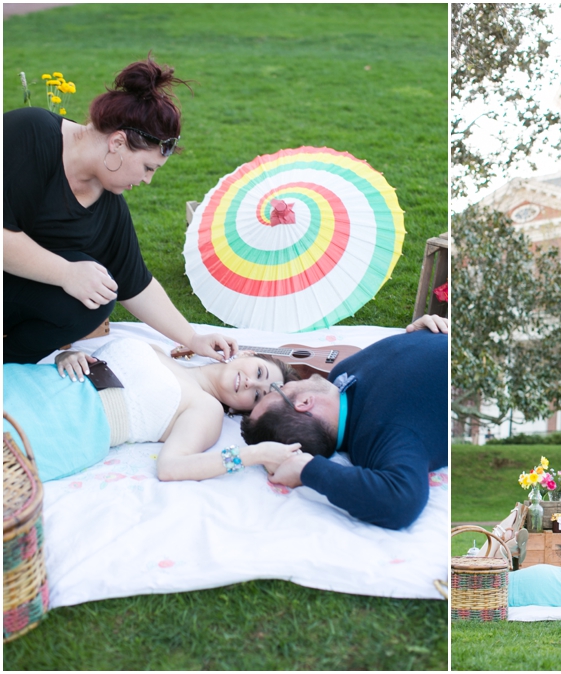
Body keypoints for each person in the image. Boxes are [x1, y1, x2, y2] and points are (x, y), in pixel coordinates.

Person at [4, 55, 237, 365]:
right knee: (78, 271)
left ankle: (9, 364)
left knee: (98, 293)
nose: (148, 180)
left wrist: (192, 337)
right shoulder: (30, 133)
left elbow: (134, 282)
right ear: (117, 143)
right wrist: (65, 272)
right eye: (147, 167)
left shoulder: (108, 205)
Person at [239, 314, 448, 530]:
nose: (282, 383)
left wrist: (423, 330)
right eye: (278, 389)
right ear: (304, 403)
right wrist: (307, 469)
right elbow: (400, 501)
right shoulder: (386, 433)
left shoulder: (341, 379)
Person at [3, 337, 303, 483]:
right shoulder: (167, 351)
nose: (250, 383)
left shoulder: (206, 409)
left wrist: (256, 454)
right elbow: (94, 361)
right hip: (34, 382)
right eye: (260, 373)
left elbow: (171, 468)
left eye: (256, 396)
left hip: (65, 424)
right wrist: (68, 355)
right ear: (248, 354)